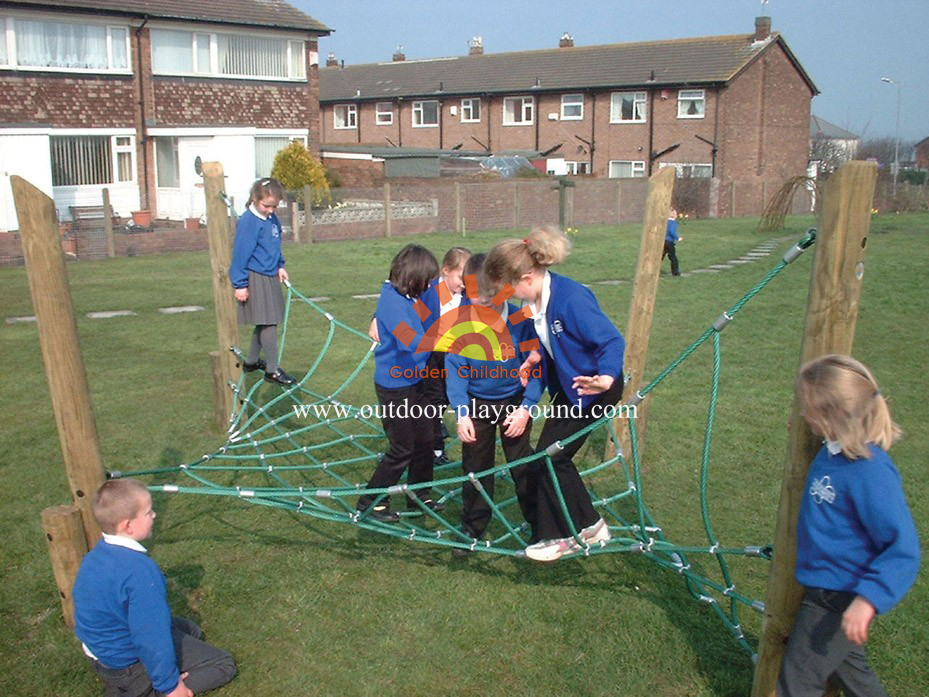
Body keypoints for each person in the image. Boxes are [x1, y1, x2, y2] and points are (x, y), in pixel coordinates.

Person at [777, 355, 919, 697]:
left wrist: (867, 600)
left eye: (807, 409)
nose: (801, 414)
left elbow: (903, 550)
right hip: (826, 589)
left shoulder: (869, 473)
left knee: (796, 685)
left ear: (832, 416)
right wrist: (811, 430)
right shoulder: (833, 451)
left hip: (838, 595)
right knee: (854, 677)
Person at [483, 225, 625, 562]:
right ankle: (585, 528)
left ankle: (569, 534)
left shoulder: (570, 299)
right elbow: (554, 349)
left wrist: (605, 378)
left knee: (552, 455)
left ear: (527, 277)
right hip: (571, 390)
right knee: (546, 458)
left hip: (595, 389)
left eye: (509, 288)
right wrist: (535, 358)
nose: (508, 296)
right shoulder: (537, 305)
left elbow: (611, 340)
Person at [73, 479, 236, 697]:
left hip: (102, 654)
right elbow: (150, 635)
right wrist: (170, 685)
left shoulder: (96, 555)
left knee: (191, 629)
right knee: (223, 664)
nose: (154, 515)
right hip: (128, 664)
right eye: (148, 512)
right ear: (128, 526)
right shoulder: (140, 572)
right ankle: (151, 690)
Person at [445, 253, 543, 552]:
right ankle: (472, 528)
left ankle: (540, 526)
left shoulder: (520, 321)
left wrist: (526, 408)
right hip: (476, 405)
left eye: (485, 298)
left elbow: (536, 366)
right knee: (475, 469)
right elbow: (456, 371)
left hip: (514, 404)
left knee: (523, 465)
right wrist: (462, 414)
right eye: (471, 297)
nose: (478, 304)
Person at [356, 244, 444, 522]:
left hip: (415, 381)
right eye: (427, 280)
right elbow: (411, 343)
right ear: (413, 277)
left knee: (425, 440)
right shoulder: (392, 302)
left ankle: (420, 495)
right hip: (395, 388)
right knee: (402, 448)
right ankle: (371, 502)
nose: (431, 285)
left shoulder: (407, 293)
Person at [369, 247, 471, 466]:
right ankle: (436, 449)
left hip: (454, 354)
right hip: (427, 353)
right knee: (431, 401)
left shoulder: (468, 295)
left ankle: (435, 441)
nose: (465, 283)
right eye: (461, 277)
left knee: (449, 397)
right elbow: (398, 301)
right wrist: (376, 317)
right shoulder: (428, 289)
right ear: (445, 271)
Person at [229, 177, 294, 386]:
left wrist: (280, 265)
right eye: (267, 206)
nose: (271, 210)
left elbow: (274, 245)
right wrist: (240, 284)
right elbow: (240, 254)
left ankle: (250, 361)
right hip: (255, 276)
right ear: (255, 199)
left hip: (270, 274)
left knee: (267, 320)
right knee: (269, 322)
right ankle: (272, 370)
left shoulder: (271, 219)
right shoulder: (249, 221)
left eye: (275, 206)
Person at [663, 207, 681, 277]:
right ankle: (675, 272)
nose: (676, 215)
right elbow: (671, 231)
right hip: (669, 242)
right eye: (675, 214)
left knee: (661, 256)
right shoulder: (673, 223)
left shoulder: (665, 222)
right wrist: (677, 238)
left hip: (663, 241)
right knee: (673, 257)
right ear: (672, 215)